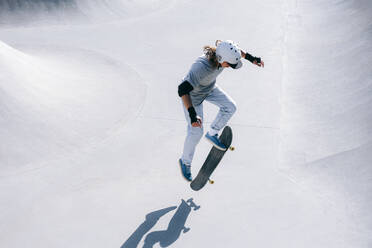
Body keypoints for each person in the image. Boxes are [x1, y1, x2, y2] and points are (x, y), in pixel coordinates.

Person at [177, 40, 264, 181]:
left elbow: (237, 51)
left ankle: (212, 133)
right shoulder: (200, 67)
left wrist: (251, 58)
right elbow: (182, 90)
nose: (229, 67)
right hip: (192, 97)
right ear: (221, 59)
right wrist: (193, 116)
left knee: (230, 107)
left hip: (209, 89)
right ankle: (185, 162)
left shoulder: (223, 52)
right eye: (229, 65)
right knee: (196, 131)